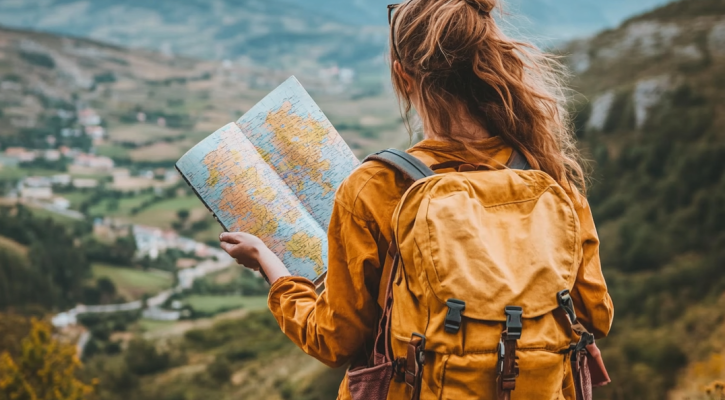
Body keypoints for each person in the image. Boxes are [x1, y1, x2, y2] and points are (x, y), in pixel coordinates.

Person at [219, 0, 613, 398]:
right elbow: (597, 314)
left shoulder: (373, 187)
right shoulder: (547, 177)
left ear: (403, 76)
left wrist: (272, 267)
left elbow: (333, 340)